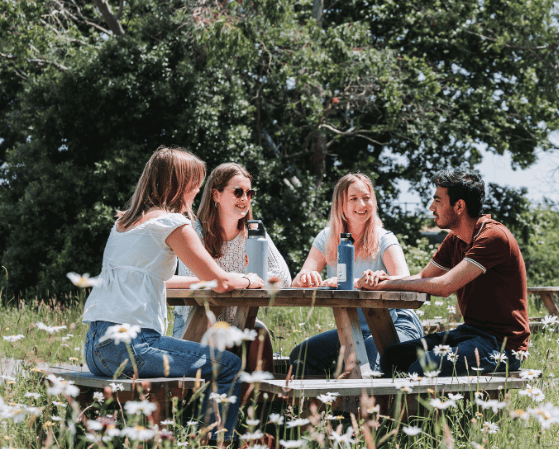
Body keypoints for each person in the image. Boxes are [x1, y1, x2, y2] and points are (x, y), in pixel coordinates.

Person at [82, 147, 264, 445]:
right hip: (132, 345)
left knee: (208, 361)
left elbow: (163, 279)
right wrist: (247, 278)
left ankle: (187, 433)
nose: (197, 191)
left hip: (96, 347)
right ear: (181, 184)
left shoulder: (125, 223)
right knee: (229, 365)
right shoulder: (173, 223)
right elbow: (219, 281)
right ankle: (211, 442)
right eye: (196, 184)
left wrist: (202, 280)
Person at [357, 169, 528, 377]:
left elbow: (445, 286)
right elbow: (423, 277)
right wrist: (381, 278)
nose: (431, 207)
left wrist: (385, 285)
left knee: (426, 365)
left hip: (503, 346)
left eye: (438, 201)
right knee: (393, 356)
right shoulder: (455, 239)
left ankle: (425, 409)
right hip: (470, 333)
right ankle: (390, 409)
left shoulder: (494, 237)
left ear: (459, 206)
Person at [289, 173, 423, 376]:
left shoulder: (385, 239)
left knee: (368, 358)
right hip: (354, 328)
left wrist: (356, 283)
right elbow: (300, 280)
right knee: (302, 355)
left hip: (396, 323)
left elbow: (405, 280)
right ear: (340, 205)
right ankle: (322, 407)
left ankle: (368, 409)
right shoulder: (327, 238)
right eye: (353, 198)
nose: (362, 204)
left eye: (366, 197)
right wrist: (304, 279)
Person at [174, 163, 292, 371]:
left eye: (249, 193)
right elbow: (199, 281)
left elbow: (283, 276)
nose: (245, 199)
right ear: (216, 195)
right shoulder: (194, 231)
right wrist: (247, 279)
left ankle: (256, 402)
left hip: (240, 323)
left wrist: (247, 279)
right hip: (197, 324)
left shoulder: (254, 232)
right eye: (238, 192)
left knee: (259, 334)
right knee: (226, 337)